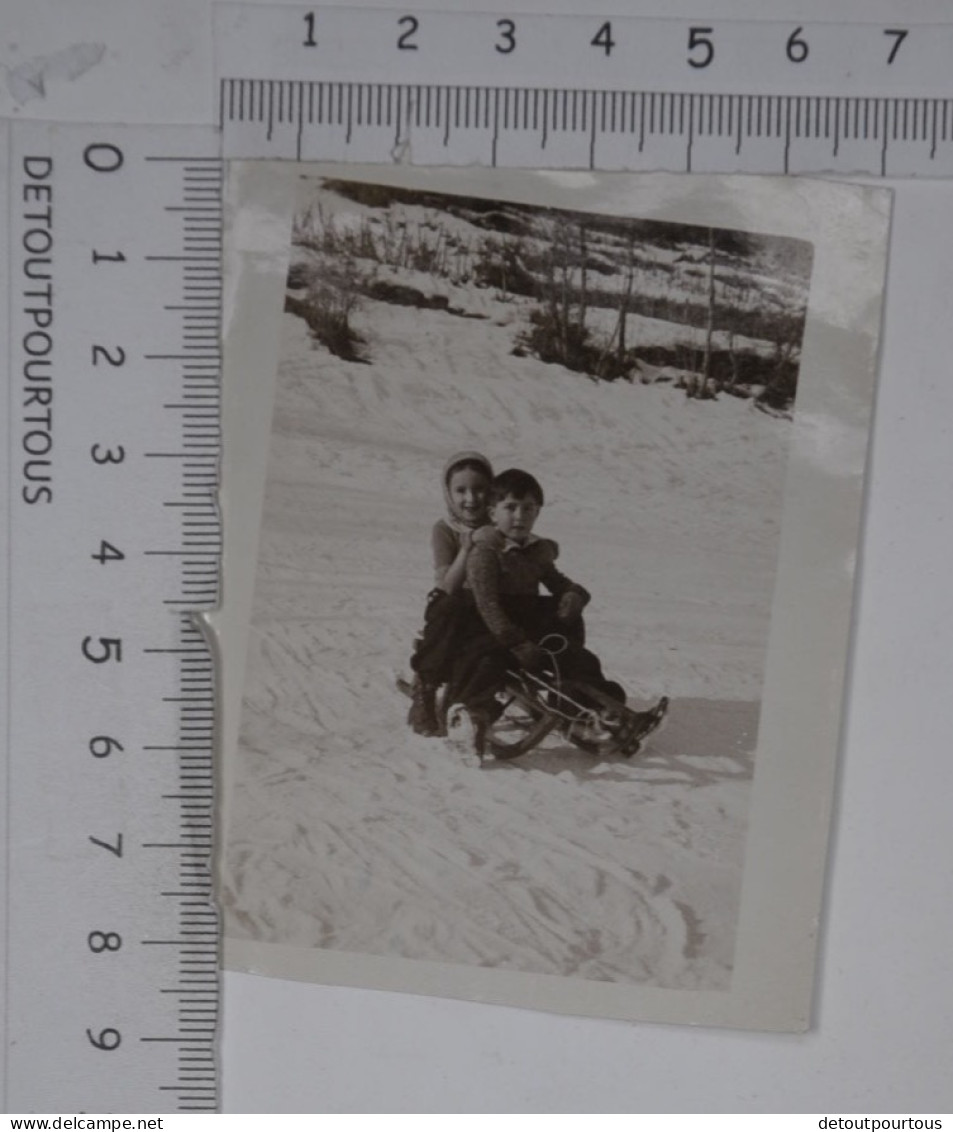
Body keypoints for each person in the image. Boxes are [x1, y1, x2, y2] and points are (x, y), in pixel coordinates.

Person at [444, 467, 628, 756]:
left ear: (538, 513)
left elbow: (558, 582)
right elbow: (487, 604)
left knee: (577, 658)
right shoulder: (485, 553)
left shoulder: (537, 550)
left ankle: (594, 709)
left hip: (529, 628)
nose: (520, 516)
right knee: (487, 665)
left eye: (528, 508)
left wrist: (573, 594)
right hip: (491, 630)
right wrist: (515, 643)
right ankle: (473, 716)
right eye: (510, 508)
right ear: (492, 513)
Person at [406, 450, 494, 736]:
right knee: (451, 606)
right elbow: (447, 585)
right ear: (449, 493)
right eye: (461, 490)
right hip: (454, 602)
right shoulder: (445, 530)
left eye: (480, 489)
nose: (471, 499)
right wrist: (468, 547)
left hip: (490, 607)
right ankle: (426, 687)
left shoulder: (499, 524)